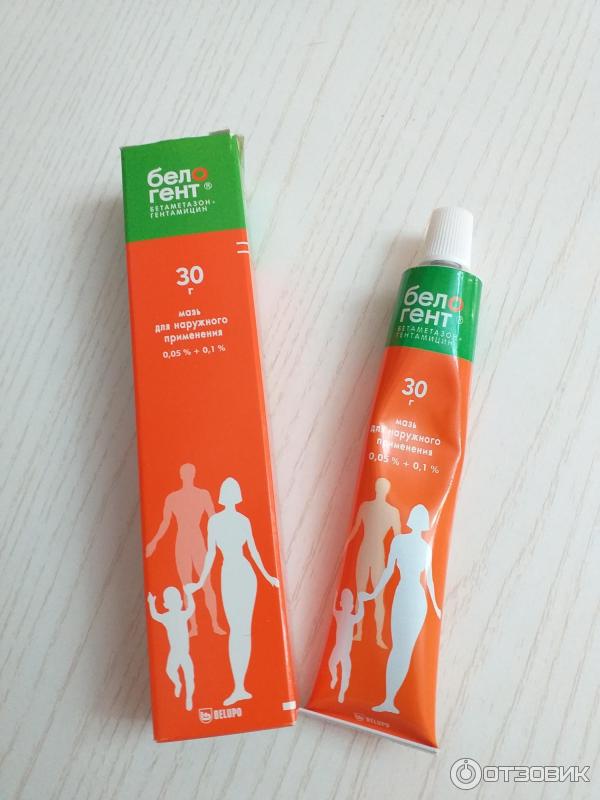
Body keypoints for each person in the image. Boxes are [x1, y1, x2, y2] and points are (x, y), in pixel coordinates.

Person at [188, 477, 280, 707]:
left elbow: (253, 551)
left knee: (243, 631)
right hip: (229, 574)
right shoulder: (215, 522)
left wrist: (268, 576)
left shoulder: (243, 521)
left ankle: (241, 687)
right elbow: (210, 554)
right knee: (236, 631)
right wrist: (200, 582)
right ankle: (237, 686)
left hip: (244, 574)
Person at [362, 503, 441, 714]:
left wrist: (436, 606)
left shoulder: (413, 545)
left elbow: (428, 581)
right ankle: (388, 700)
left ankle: (390, 700)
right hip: (412, 596)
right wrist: (373, 594)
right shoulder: (415, 545)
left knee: (402, 649)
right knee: (401, 650)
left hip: (412, 596)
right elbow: (390, 571)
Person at [145, 464, 225, 637]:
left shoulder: (203, 495)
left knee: (207, 584)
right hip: (182, 543)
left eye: (189, 473)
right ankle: (193, 627)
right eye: (186, 473)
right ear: (182, 476)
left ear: (192, 475)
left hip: (198, 542)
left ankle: (214, 624)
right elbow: (165, 523)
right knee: (187, 587)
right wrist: (154, 541)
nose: (188, 476)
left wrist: (223, 542)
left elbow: (213, 520)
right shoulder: (173, 498)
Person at [349, 477, 401, 648]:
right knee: (362, 593)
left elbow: (397, 539)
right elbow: (355, 530)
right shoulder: (368, 507)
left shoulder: (391, 512)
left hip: (375, 554)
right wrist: (346, 546)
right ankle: (360, 632)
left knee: (375, 596)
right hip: (369, 553)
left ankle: (377, 636)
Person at [147, 584, 197, 711]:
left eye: (177, 600)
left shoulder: (183, 614)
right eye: (171, 601)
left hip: (185, 653)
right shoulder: (166, 617)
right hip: (174, 653)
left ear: (180, 602)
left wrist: (189, 595)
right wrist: (151, 602)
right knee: (170, 671)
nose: (175, 603)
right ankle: (177, 683)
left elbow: (191, 608)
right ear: (166, 605)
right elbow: (155, 615)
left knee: (190, 677)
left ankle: (189, 698)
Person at [328, 589, 365, 703]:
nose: (347, 605)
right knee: (331, 663)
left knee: (346, 672)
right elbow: (333, 609)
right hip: (337, 648)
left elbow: (360, 615)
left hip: (345, 652)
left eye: (349, 603)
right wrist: (335, 596)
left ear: (352, 606)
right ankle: (334, 677)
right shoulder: (339, 614)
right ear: (341, 604)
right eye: (344, 602)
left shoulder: (352, 618)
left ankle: (342, 692)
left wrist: (361, 602)